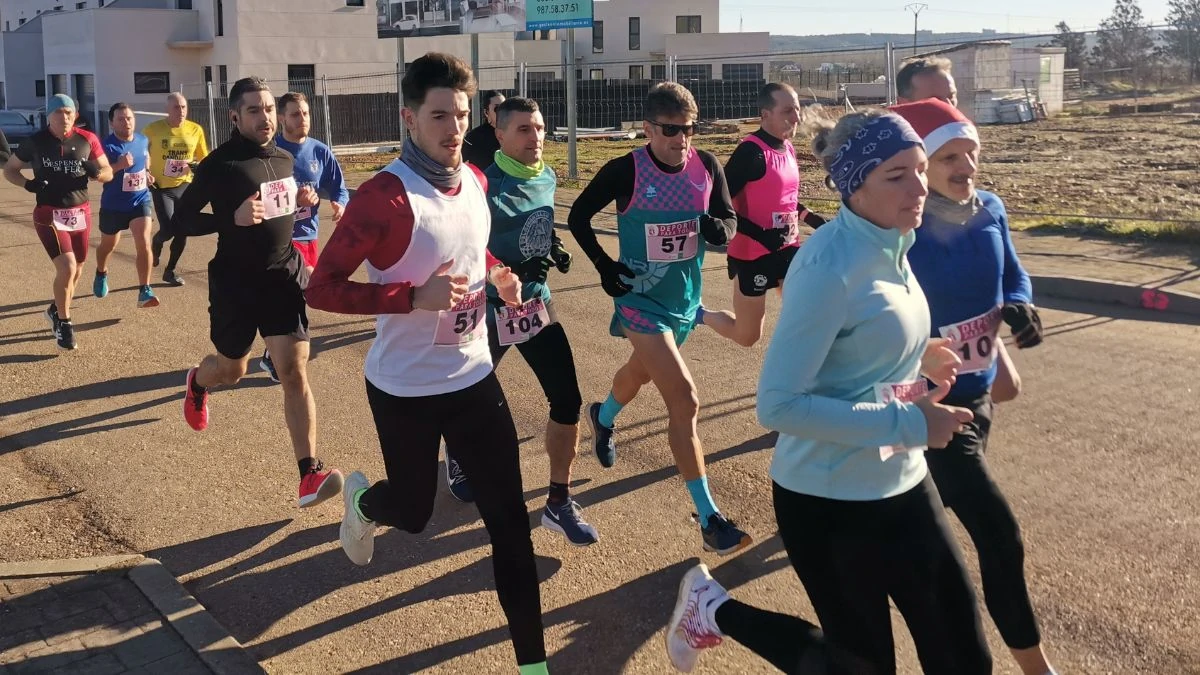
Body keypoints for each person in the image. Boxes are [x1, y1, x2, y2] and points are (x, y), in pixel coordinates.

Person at [665, 109, 993, 675]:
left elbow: (859, 351)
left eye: (919, 168)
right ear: (853, 185)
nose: (919, 186)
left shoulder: (895, 237)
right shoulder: (827, 266)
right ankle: (713, 610)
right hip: (827, 499)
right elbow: (779, 404)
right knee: (859, 669)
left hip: (903, 483)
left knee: (965, 660)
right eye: (896, 175)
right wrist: (914, 426)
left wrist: (921, 352)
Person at [304, 53, 549, 675]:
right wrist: (411, 297)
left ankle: (533, 667)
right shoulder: (383, 197)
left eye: (463, 116)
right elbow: (322, 287)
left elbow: (473, 245)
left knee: (510, 526)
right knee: (412, 514)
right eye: (440, 116)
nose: (453, 129)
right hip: (403, 389)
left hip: (473, 378)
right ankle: (362, 504)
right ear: (410, 117)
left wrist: (497, 276)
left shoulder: (476, 179)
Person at [892, 98, 1052, 675]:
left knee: (930, 536)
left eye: (972, 154)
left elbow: (1012, 268)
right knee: (998, 533)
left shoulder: (990, 208)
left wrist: (1019, 302)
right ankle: (1037, 668)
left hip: (979, 397)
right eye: (951, 157)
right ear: (922, 167)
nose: (967, 167)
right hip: (930, 406)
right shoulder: (905, 229)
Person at [567, 82, 751, 556]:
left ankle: (602, 417)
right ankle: (709, 518)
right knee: (685, 399)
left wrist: (721, 229)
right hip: (638, 303)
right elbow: (579, 218)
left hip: (683, 299)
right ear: (647, 129)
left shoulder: (707, 165)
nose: (682, 139)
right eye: (671, 130)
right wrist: (605, 268)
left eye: (689, 129)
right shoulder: (625, 169)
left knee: (640, 373)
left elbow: (729, 221)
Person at [172, 76, 342, 509]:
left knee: (294, 369)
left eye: (269, 109)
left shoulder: (285, 159)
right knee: (232, 371)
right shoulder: (219, 165)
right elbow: (181, 221)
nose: (265, 117)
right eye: (254, 110)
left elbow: (277, 212)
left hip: (282, 277)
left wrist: (302, 201)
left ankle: (309, 474)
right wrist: (231, 218)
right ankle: (198, 381)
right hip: (235, 283)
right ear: (234, 117)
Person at [443, 96, 597, 545]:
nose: (537, 138)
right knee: (465, 392)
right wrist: (496, 276)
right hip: (489, 310)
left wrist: (551, 245)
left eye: (541, 128)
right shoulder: (480, 185)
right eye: (525, 130)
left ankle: (558, 501)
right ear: (501, 135)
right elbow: (463, 246)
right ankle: (457, 450)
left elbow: (537, 223)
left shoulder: (546, 174)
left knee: (567, 398)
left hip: (534, 305)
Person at [897, 57, 1022, 403]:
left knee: (1005, 388)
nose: (948, 109)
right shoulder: (893, 210)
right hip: (914, 363)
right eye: (934, 101)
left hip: (967, 336)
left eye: (950, 98)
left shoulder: (982, 199)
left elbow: (1011, 273)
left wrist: (1016, 305)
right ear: (906, 108)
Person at [700, 82, 828, 347]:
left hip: (787, 247)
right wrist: (761, 235)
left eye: (798, 109)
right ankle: (699, 314)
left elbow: (784, 200)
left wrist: (810, 217)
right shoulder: (751, 152)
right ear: (765, 114)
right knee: (747, 336)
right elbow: (719, 205)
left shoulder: (787, 147)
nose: (797, 117)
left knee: (814, 311)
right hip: (752, 254)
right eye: (788, 111)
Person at [3, 94, 113, 350]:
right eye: (59, 112)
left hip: (79, 212)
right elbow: (10, 169)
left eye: (69, 112)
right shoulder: (36, 142)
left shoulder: (88, 139)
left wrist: (97, 173)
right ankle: (65, 324)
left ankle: (55, 309)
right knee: (67, 267)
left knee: (79, 269)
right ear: (49, 116)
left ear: (75, 115)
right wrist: (28, 184)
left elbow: (108, 171)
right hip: (48, 213)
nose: (64, 117)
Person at [259, 91, 350, 383]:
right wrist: (295, 201)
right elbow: (262, 202)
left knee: (302, 294)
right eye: (296, 114)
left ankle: (270, 352)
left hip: (309, 236)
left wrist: (340, 203)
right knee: (300, 290)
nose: (303, 119)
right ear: (282, 118)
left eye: (306, 113)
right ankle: (279, 355)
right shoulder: (272, 153)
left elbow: (339, 187)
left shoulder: (320, 151)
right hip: (280, 240)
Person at [93, 102, 159, 309]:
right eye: (121, 119)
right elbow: (99, 176)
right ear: (112, 123)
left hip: (140, 200)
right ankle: (101, 272)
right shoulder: (106, 146)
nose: (126, 122)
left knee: (144, 242)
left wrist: (147, 174)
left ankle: (144, 290)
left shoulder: (142, 140)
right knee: (108, 245)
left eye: (129, 118)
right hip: (113, 205)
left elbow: (145, 159)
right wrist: (118, 165)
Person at [145, 92, 209, 286]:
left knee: (182, 229)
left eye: (183, 107)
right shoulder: (152, 130)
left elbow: (203, 158)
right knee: (168, 230)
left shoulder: (195, 129)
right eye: (176, 107)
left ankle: (170, 271)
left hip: (184, 185)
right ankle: (156, 243)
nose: (181, 111)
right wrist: (145, 171)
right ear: (167, 110)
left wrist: (197, 165)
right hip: (161, 187)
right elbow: (140, 153)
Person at [462, 89, 504, 169]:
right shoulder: (473, 137)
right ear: (486, 112)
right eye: (497, 108)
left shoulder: (513, 134)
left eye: (505, 107)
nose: (502, 112)